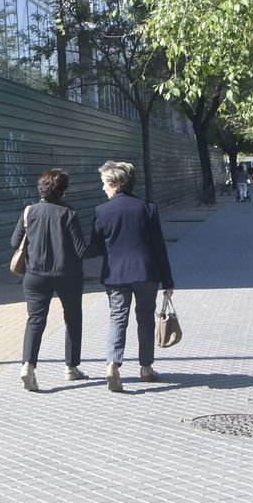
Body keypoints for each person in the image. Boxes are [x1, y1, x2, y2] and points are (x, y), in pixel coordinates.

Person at [91, 160, 175, 391]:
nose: (103, 188)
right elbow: (159, 247)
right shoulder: (147, 208)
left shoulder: (101, 211)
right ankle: (146, 367)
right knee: (145, 318)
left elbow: (96, 247)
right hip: (146, 272)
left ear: (116, 183)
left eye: (105, 183)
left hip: (115, 274)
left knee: (118, 318)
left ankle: (113, 365)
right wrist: (168, 280)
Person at [9, 168, 91, 392]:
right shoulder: (69, 213)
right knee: (73, 319)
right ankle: (71, 368)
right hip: (68, 276)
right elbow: (81, 250)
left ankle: (28, 365)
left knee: (35, 320)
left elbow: (14, 241)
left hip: (35, 276)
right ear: (63, 191)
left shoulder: (29, 211)